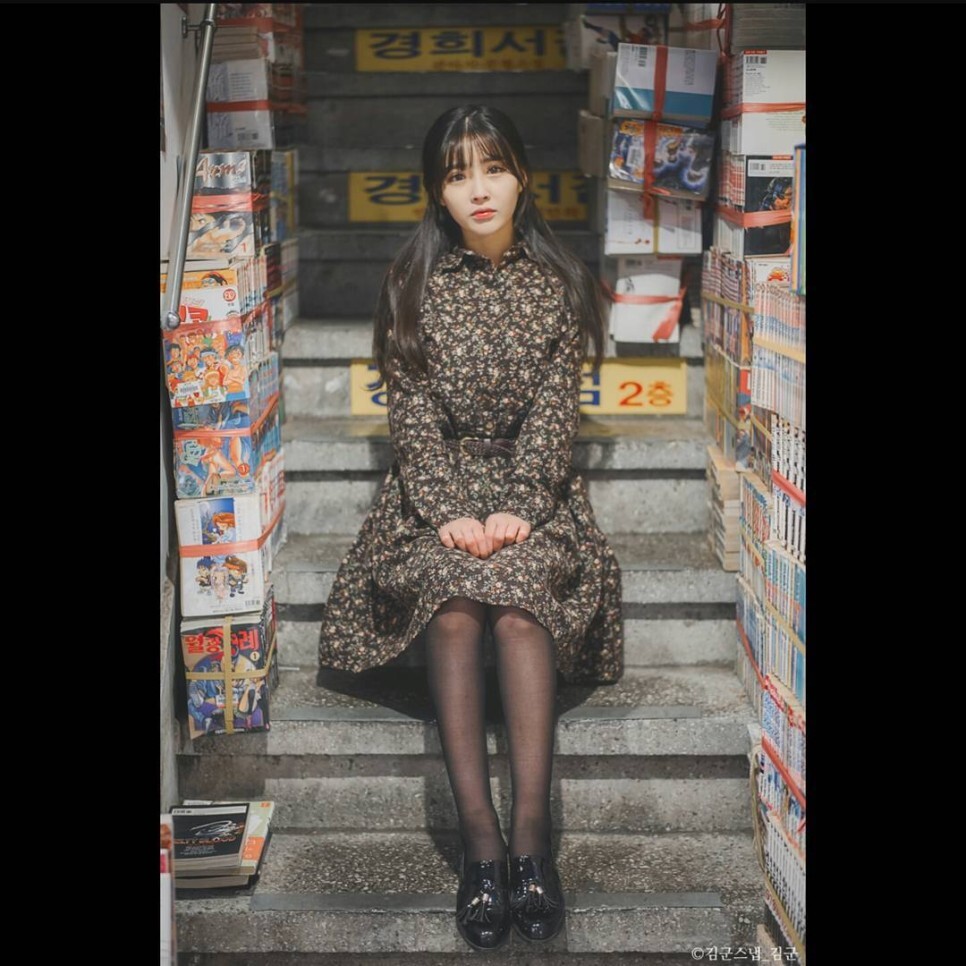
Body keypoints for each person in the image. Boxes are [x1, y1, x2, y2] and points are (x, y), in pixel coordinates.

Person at [317, 104, 624, 951]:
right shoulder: (410, 282)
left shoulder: (559, 283)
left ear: (522, 176)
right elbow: (411, 418)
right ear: (437, 192)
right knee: (455, 604)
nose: (479, 189)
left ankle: (532, 841)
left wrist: (520, 502)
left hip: (536, 492)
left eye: (493, 169)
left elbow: (555, 416)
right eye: (458, 176)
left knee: (520, 604)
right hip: (433, 492)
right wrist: (450, 509)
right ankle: (480, 847)